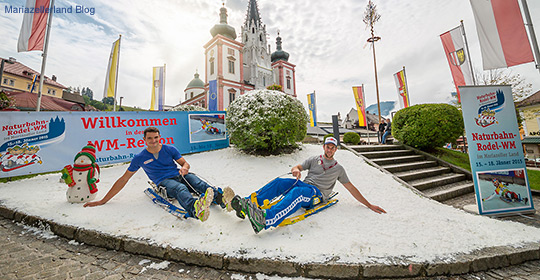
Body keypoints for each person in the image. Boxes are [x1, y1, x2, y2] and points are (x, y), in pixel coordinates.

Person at [231, 137, 386, 233]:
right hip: (303, 185)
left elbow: (351, 188)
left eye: (333, 147)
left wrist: (369, 205)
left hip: (315, 194)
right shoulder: (314, 159)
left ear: (336, 149)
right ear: (324, 147)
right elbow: (297, 167)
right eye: (328, 146)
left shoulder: (338, 169)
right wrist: (295, 171)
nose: (330, 149)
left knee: (297, 193)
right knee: (279, 182)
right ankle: (248, 203)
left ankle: (266, 219)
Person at [84, 127, 235, 221]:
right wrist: (103, 201)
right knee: (179, 189)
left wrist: (185, 168)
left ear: (159, 137)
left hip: (178, 174)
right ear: (144, 140)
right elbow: (124, 179)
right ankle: (195, 209)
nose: (153, 141)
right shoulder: (140, 158)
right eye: (150, 138)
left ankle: (221, 199)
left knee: (197, 182)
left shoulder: (169, 149)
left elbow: (184, 163)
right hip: (164, 181)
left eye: (156, 137)